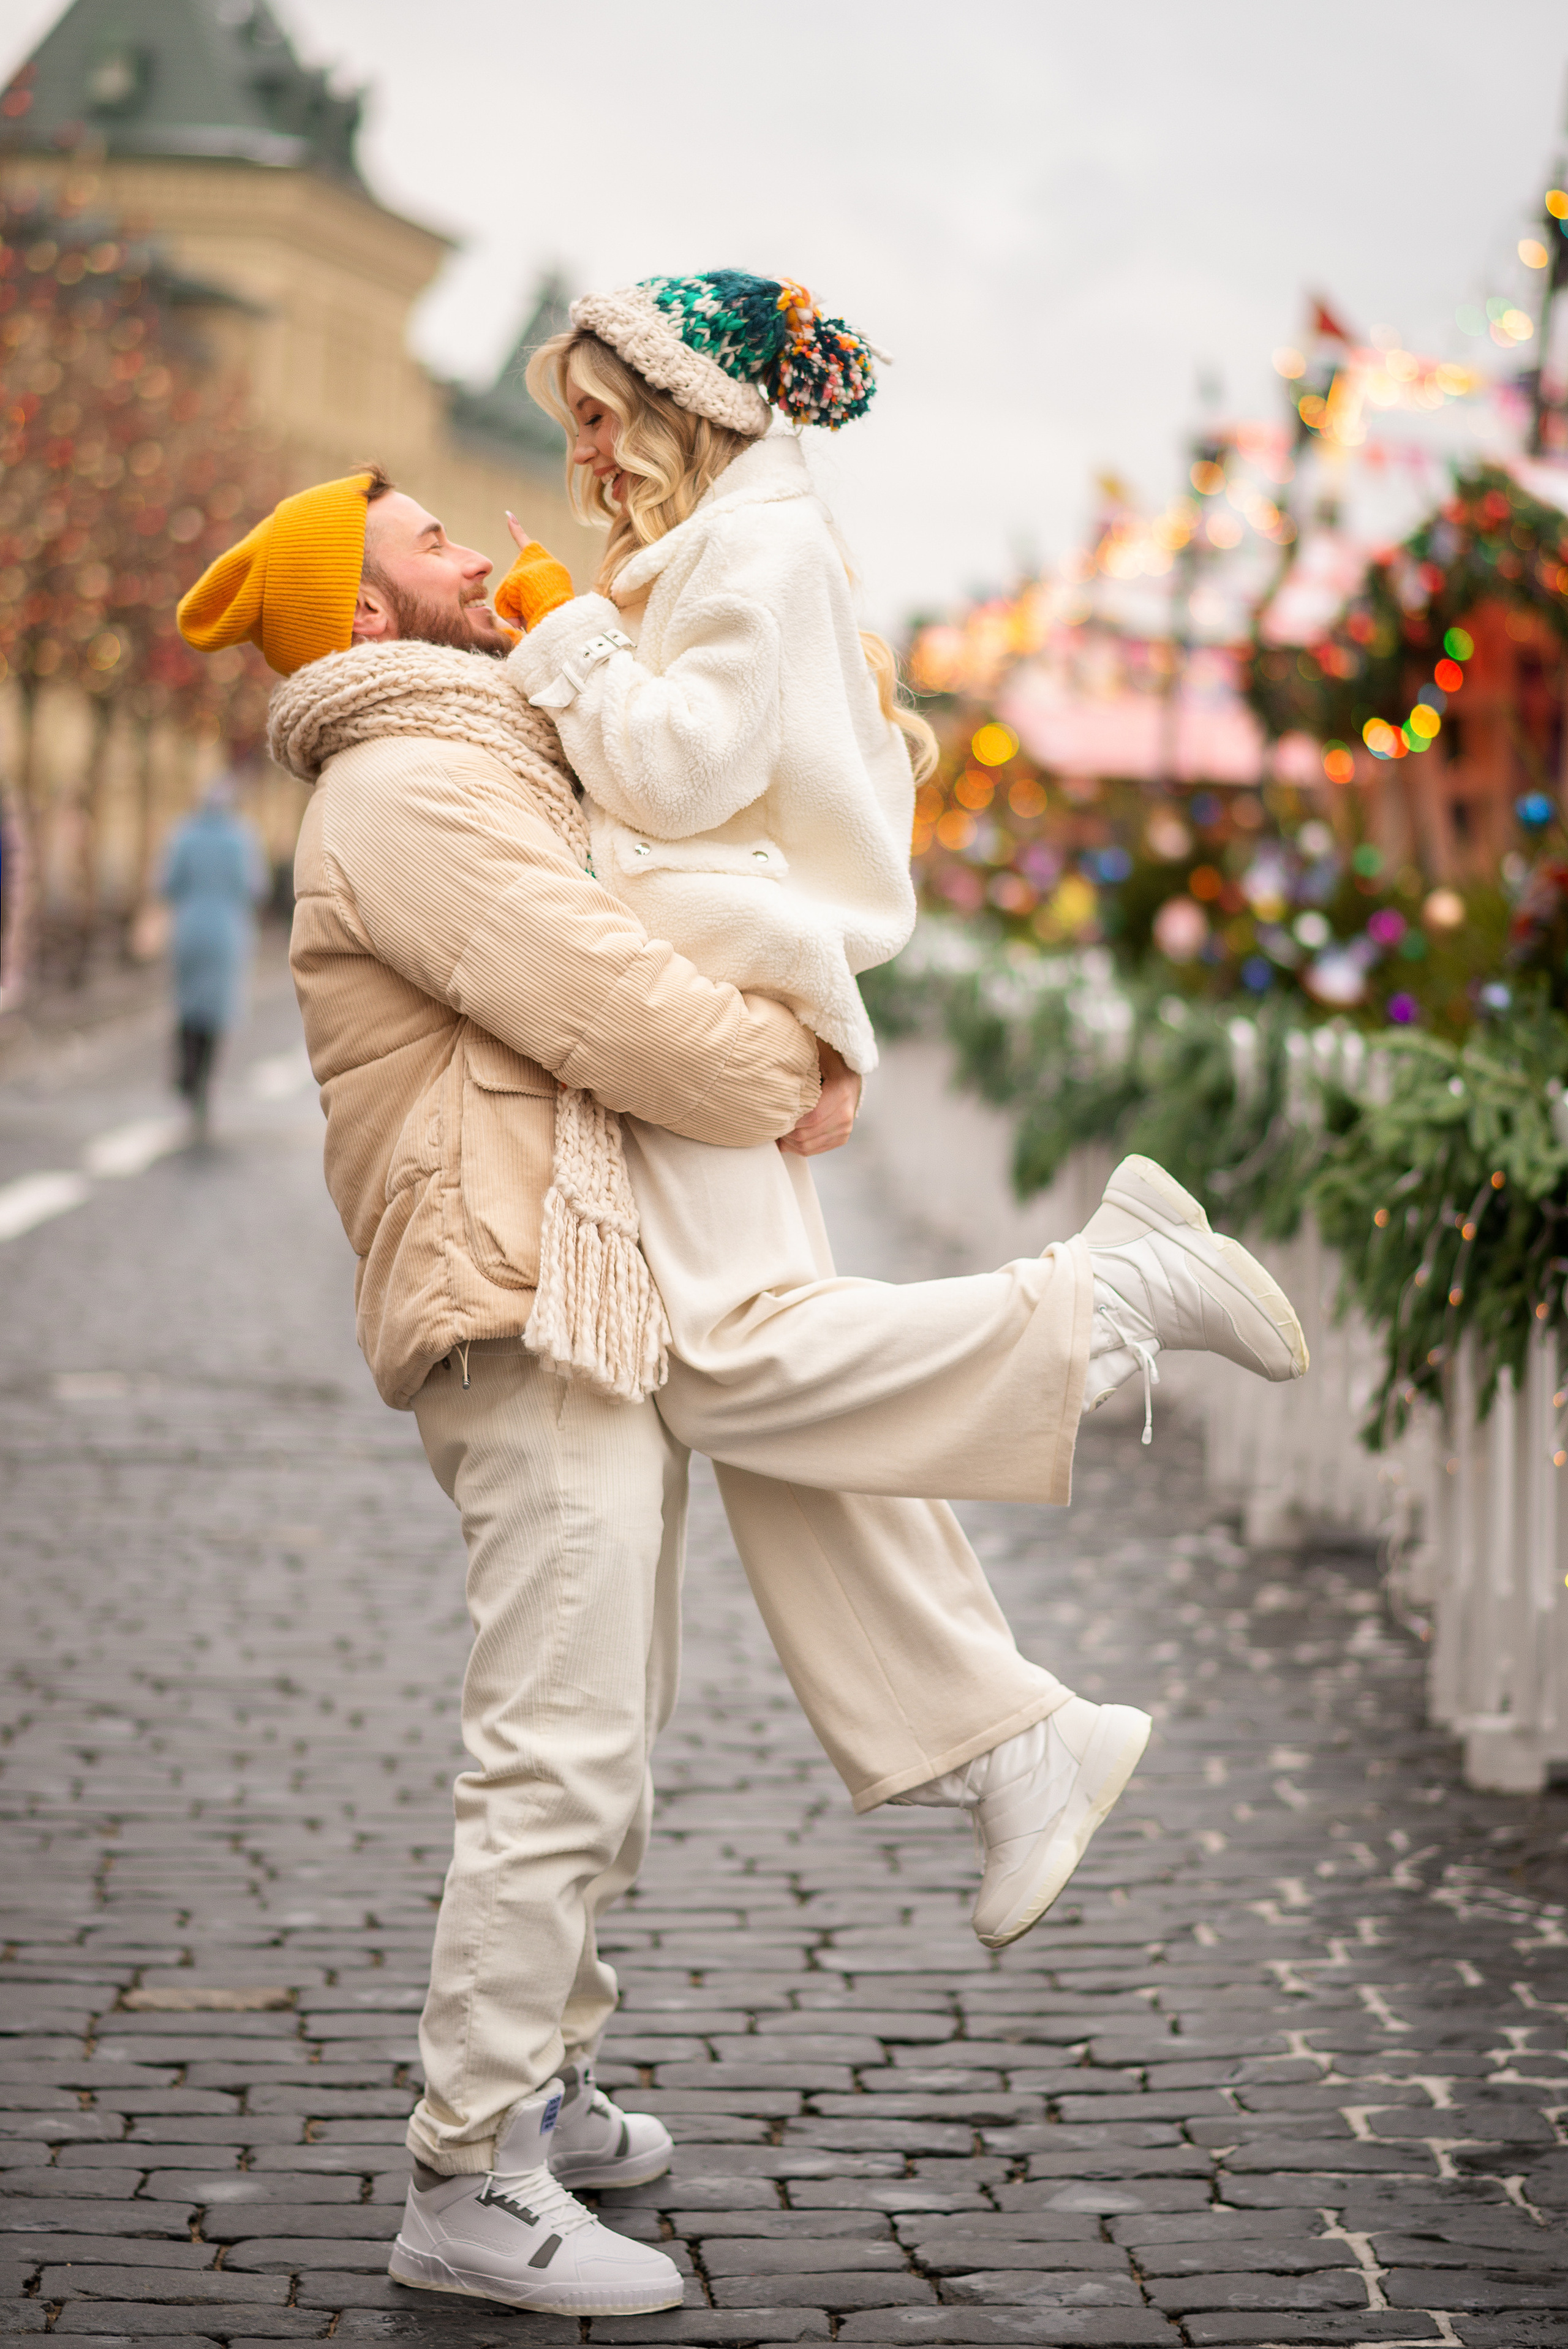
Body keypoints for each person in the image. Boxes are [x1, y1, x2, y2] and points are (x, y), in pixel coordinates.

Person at [176, 462, 1307, 2321]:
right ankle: (468, 2174)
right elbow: (602, 996)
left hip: (578, 1280)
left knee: (604, 1721)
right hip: (524, 1302)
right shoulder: (409, 788)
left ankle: (542, 2073)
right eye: (427, 550)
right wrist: (784, 1066)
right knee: (555, 1740)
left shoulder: (483, 748)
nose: (474, 546)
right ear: (366, 621)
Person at [157, 776, 270, 1129]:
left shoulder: (184, 834)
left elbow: (167, 884)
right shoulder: (243, 838)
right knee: (217, 1011)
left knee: (187, 1005)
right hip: (226, 934)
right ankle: (203, 1082)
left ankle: (186, 1073)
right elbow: (256, 887)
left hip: (188, 930)